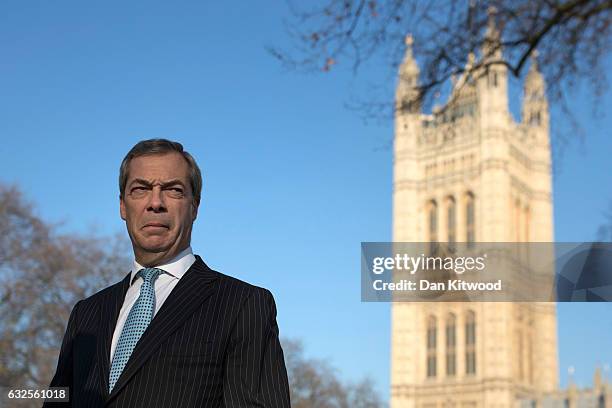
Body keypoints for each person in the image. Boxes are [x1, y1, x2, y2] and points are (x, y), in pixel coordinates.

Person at [44, 139, 291, 407]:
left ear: (194, 207)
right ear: (123, 206)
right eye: (140, 189)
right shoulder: (86, 313)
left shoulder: (243, 304)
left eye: (173, 190)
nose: (155, 203)